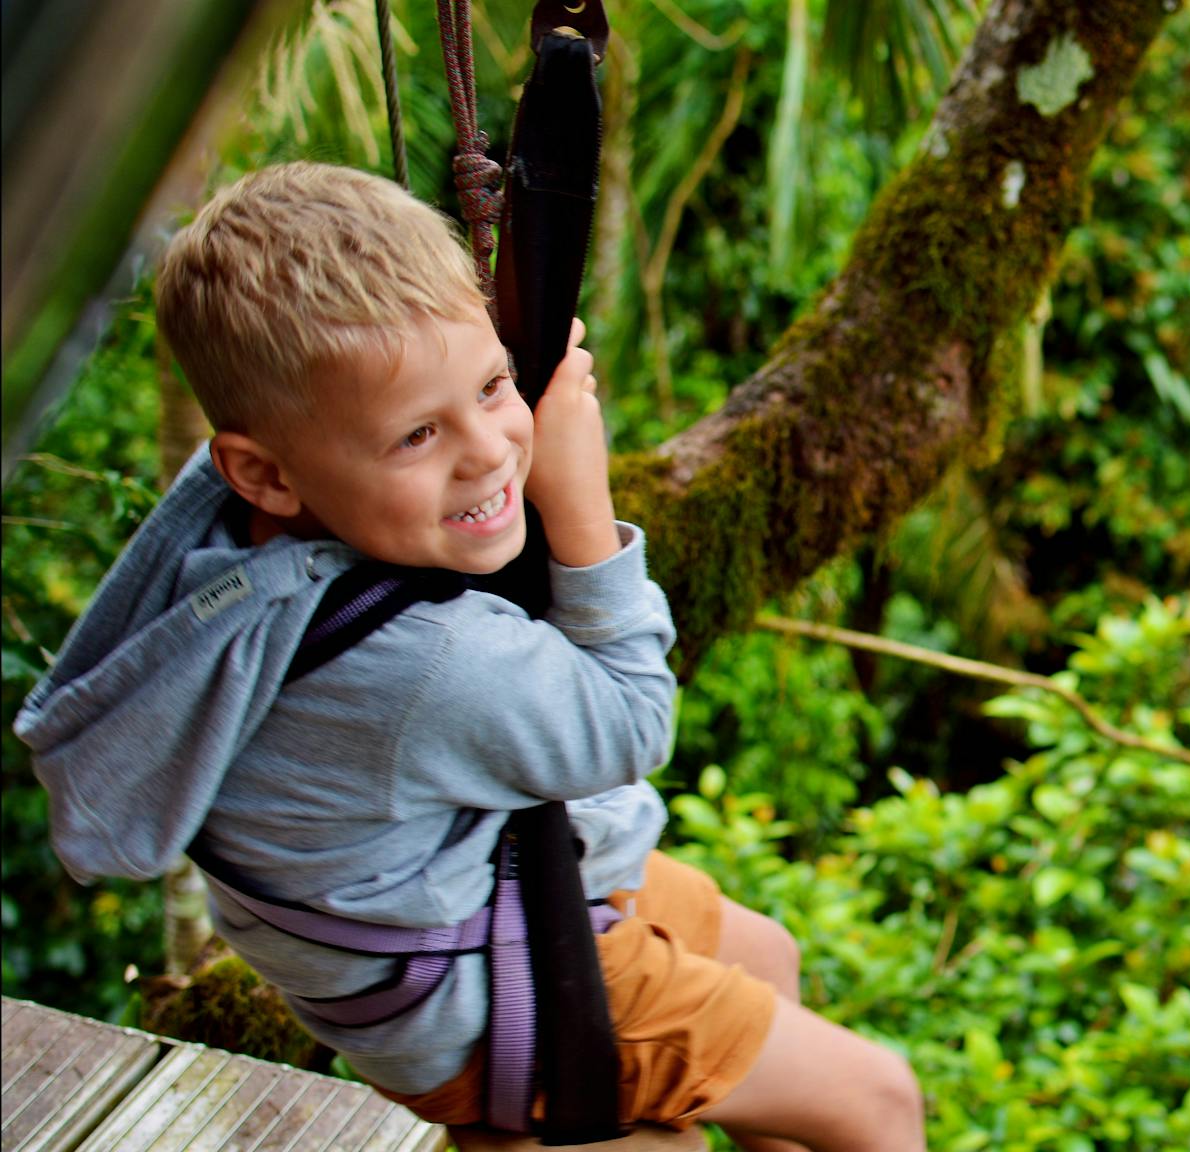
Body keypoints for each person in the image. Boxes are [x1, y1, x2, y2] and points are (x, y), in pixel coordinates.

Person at [12, 162, 923, 1152]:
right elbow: (631, 724)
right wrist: (580, 505)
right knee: (877, 1100)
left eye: (493, 386)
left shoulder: (224, 534)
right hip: (484, 988)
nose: (488, 451)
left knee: (765, 959)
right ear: (263, 472)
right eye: (416, 435)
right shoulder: (428, 661)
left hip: (447, 906)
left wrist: (437, 416)